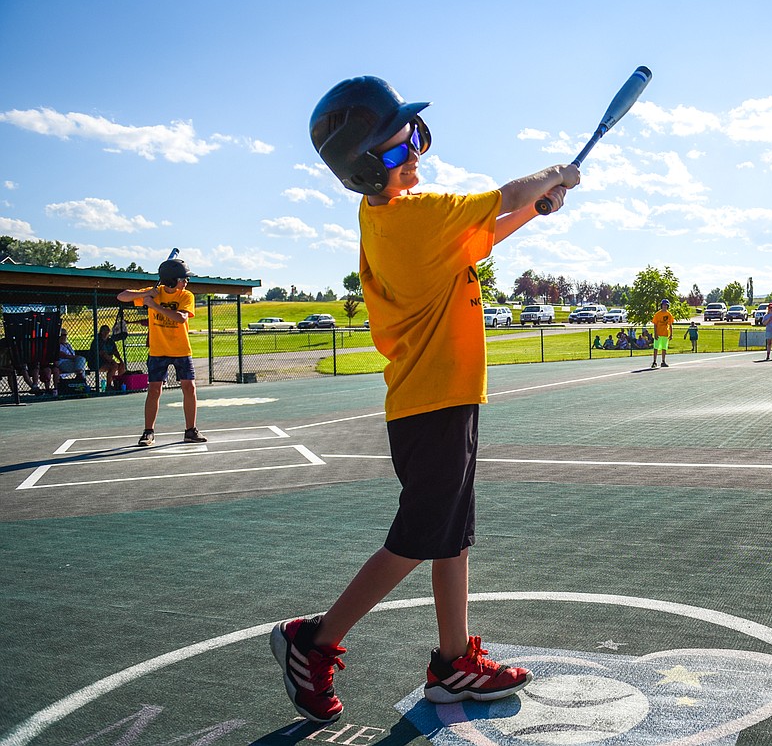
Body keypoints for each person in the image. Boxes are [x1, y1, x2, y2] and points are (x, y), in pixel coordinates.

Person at [269, 75, 580, 724]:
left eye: (413, 137)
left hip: (441, 399)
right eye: (393, 148)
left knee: (450, 538)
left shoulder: (396, 220)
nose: (411, 151)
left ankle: (453, 663)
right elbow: (502, 197)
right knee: (418, 537)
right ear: (362, 170)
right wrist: (549, 179)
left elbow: (484, 234)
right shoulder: (412, 215)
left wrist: (533, 210)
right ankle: (315, 639)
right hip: (432, 402)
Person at [117, 255, 206, 446]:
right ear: (173, 280)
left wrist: (154, 306)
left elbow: (181, 318)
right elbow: (122, 296)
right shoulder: (154, 293)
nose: (186, 282)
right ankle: (148, 432)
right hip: (158, 351)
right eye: (183, 279)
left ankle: (190, 430)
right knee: (154, 389)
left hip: (181, 349)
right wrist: (146, 294)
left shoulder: (186, 296)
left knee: (189, 388)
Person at [94, 324, 126, 389]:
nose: (106, 332)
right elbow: (102, 353)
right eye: (104, 330)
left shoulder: (110, 341)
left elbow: (115, 352)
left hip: (109, 362)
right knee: (114, 366)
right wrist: (111, 360)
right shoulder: (97, 341)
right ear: (101, 332)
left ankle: (119, 384)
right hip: (99, 363)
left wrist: (120, 360)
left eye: (107, 330)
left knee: (121, 366)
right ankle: (108, 386)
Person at [650, 299, 674, 368]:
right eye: (663, 305)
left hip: (665, 334)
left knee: (664, 348)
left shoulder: (669, 314)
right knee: (656, 348)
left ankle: (663, 361)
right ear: (661, 306)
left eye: (666, 305)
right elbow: (655, 324)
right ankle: (654, 361)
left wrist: (671, 334)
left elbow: (670, 325)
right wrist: (655, 333)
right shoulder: (657, 314)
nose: (664, 306)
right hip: (659, 333)